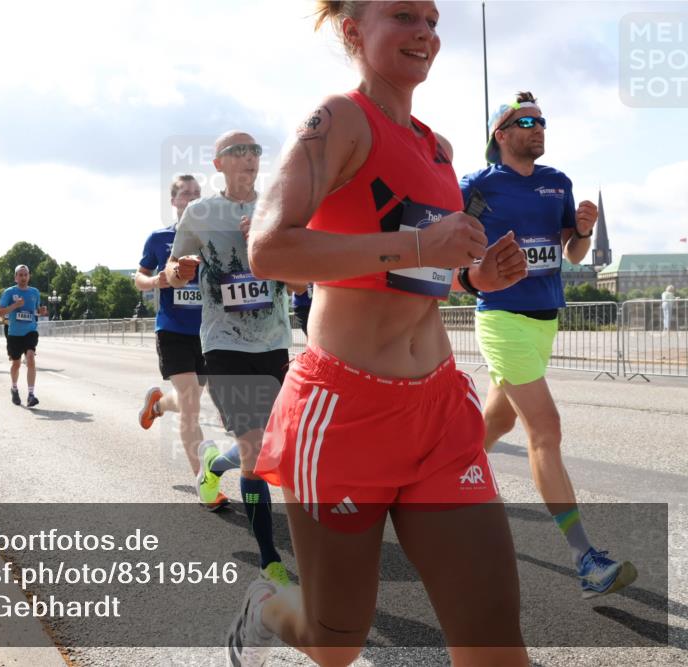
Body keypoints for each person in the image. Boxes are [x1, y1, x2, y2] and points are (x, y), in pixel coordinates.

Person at [234, 3, 533, 666]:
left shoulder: (438, 149)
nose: (426, 31)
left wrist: (476, 277)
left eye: (432, 17)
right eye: (403, 14)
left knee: (495, 641)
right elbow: (270, 250)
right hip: (344, 415)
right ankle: (266, 604)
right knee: (335, 643)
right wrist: (421, 239)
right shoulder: (337, 120)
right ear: (352, 30)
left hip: (438, 415)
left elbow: (412, 273)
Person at [461, 90, 638, 600]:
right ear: (501, 133)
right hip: (501, 319)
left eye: (542, 122)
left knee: (498, 422)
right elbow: (452, 247)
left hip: (544, 321)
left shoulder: (556, 182)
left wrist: (582, 230)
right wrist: (473, 279)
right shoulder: (476, 185)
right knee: (546, 428)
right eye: (526, 121)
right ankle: (586, 559)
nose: (538, 128)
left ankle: (437, 490)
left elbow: (575, 254)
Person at [167, 130, 303, 587]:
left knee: (269, 444)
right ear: (218, 162)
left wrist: (266, 249)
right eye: (237, 151)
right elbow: (173, 269)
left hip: (274, 343)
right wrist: (179, 270)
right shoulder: (200, 213)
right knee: (256, 449)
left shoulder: (278, 210)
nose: (248, 157)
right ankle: (270, 561)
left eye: (255, 151)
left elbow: (302, 285)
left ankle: (211, 466)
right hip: (223, 343)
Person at [137, 175, 231, 506]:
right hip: (173, 329)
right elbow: (139, 278)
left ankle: (158, 404)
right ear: (174, 201)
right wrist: (156, 281)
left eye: (196, 194)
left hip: (208, 332)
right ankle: (204, 483)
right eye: (184, 194)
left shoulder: (212, 241)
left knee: (187, 398)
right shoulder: (159, 238)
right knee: (191, 400)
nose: (191, 198)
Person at [0, 265, 41, 407]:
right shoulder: (9, 292)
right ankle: (14, 388)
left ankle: (31, 394)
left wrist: (42, 311)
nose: (23, 277)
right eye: (20, 275)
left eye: (25, 275)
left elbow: (37, 311)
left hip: (30, 331)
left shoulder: (35, 292)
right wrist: (15, 306)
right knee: (16, 364)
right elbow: (0, 312)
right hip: (14, 333)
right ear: (15, 277)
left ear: (29, 276)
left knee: (30, 358)